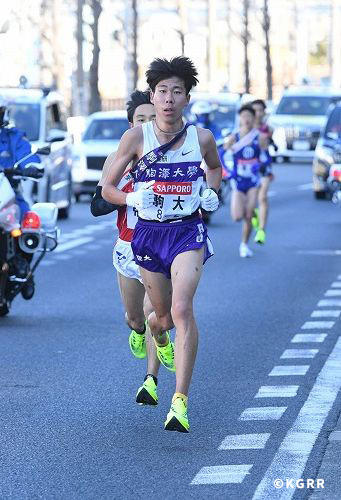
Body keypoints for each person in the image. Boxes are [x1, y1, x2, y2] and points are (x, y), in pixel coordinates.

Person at [102, 56, 222, 433]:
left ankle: (179, 402)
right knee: (163, 316)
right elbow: (106, 188)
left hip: (187, 231)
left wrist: (211, 193)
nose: (169, 99)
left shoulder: (201, 138)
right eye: (162, 92)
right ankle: (156, 327)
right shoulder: (136, 137)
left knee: (184, 308)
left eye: (176, 92)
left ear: (187, 98)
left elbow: (215, 168)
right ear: (152, 98)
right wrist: (131, 199)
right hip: (149, 234)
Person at [91, 90, 162, 406]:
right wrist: (128, 190)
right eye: (141, 120)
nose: (147, 125)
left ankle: (151, 380)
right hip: (128, 249)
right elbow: (97, 206)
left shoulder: (172, 157)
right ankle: (135, 330)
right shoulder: (118, 159)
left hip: (162, 246)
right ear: (131, 124)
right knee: (136, 319)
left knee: (154, 313)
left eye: (153, 119)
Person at [0, 97, 42, 299]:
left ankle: (24, 265)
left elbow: (27, 155)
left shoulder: (13, 137)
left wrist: (31, 166)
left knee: (29, 224)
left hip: (10, 195)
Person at [224, 104, 268, 258]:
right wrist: (229, 171)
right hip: (238, 181)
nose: (246, 119)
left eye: (249, 116)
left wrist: (260, 166)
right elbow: (224, 156)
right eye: (243, 116)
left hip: (253, 182)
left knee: (248, 215)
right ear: (240, 118)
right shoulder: (233, 137)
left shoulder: (260, 137)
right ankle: (252, 217)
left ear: (253, 118)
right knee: (237, 216)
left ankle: (244, 244)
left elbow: (265, 157)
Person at [251, 99, 274, 244]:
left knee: (262, 197)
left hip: (264, 166)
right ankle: (254, 218)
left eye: (260, 110)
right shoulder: (244, 128)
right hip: (248, 169)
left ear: (264, 112)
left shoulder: (268, 130)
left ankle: (261, 231)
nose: (257, 113)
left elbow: (265, 150)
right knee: (250, 202)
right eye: (254, 110)